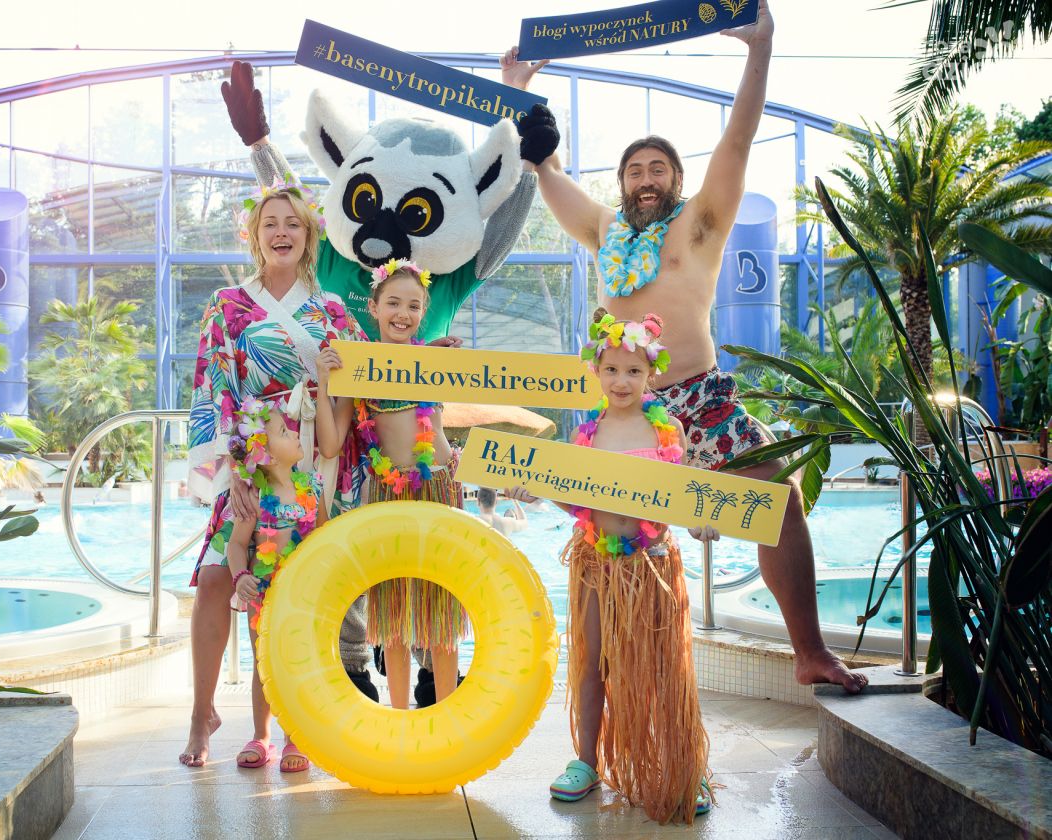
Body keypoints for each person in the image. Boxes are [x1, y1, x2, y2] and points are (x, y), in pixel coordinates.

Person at [500, 0, 866, 694]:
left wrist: (759, 49)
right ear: (622, 184)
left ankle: (810, 652)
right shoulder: (605, 231)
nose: (646, 178)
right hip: (626, 407)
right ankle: (611, 683)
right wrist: (517, 89)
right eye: (635, 170)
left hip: (702, 400)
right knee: (613, 543)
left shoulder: (700, 224)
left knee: (780, 499)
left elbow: (739, 139)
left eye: (658, 168)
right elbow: (544, 168)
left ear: (676, 180)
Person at [180, 181, 370, 768]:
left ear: (309, 236)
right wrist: (234, 468)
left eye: (293, 223)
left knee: (294, 593)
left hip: (313, 463)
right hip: (249, 458)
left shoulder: (333, 311)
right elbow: (214, 385)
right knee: (217, 578)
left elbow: (374, 374)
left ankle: (291, 723)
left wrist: (431, 355)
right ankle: (202, 714)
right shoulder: (227, 305)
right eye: (270, 223)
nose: (281, 232)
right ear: (254, 235)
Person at [507, 310, 715, 822]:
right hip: (596, 562)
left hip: (651, 564)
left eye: (634, 371)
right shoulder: (587, 433)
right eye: (612, 370)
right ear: (596, 372)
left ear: (651, 374)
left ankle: (685, 765)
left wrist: (699, 523)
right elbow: (577, 504)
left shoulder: (667, 431)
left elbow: (682, 498)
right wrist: (538, 492)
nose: (622, 381)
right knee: (593, 663)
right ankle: (586, 761)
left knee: (666, 666)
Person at [316, 260, 469, 709]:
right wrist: (326, 383)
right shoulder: (358, 366)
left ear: (423, 313)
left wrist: (438, 353)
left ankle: (447, 716)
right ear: (374, 307)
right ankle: (399, 717)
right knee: (394, 613)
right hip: (388, 493)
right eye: (394, 304)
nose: (403, 314)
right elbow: (331, 443)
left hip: (439, 486)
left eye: (414, 306)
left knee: (440, 611)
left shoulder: (432, 362)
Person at [224, 400, 325, 772]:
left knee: (299, 663)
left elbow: (325, 538)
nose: (294, 432)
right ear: (264, 455)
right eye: (284, 431)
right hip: (264, 595)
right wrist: (240, 577)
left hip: (304, 595)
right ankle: (261, 735)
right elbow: (237, 545)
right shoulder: (255, 496)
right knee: (263, 664)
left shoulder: (311, 487)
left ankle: (295, 735)